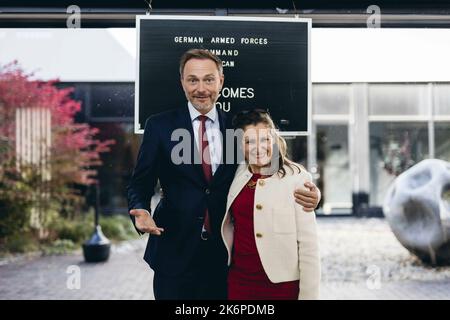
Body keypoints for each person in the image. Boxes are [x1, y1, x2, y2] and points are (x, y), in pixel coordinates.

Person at [127, 49, 321, 300]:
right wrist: (140, 210)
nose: (201, 88)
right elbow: (139, 183)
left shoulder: (237, 126)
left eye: (208, 79)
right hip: (174, 253)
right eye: (192, 80)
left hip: (224, 257)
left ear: (221, 81)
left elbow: (270, 170)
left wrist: (311, 193)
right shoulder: (160, 125)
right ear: (182, 82)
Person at [221, 109, 321, 300]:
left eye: (264, 139)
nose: (258, 147)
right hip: (239, 282)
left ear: (274, 139)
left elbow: (309, 247)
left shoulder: (297, 178)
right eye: (249, 141)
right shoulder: (237, 173)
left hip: (281, 287)